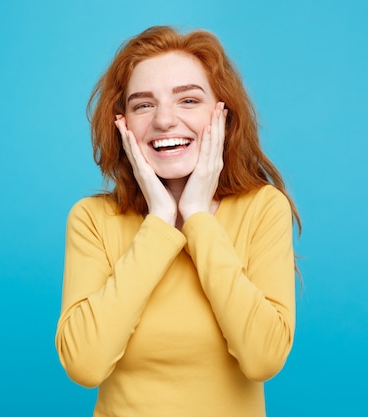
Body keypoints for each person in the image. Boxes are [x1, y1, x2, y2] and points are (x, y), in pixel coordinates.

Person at [55, 25, 301, 417]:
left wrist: (198, 218)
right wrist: (160, 223)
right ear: (123, 126)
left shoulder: (262, 208)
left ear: (222, 114)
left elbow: (263, 359)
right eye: (143, 105)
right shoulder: (93, 219)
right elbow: (84, 365)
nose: (165, 121)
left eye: (188, 100)